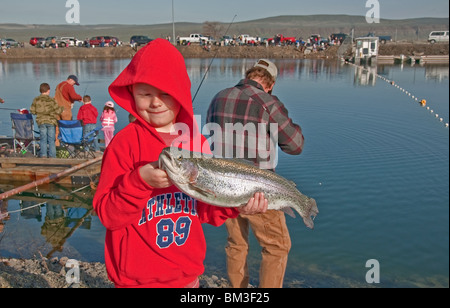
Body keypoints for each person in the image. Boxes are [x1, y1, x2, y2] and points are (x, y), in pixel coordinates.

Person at [93, 39, 268, 288]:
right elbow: (108, 216)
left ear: (181, 94)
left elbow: (207, 210)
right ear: (131, 93)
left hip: (187, 278)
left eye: (166, 93)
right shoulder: (123, 144)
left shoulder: (196, 143)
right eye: (145, 94)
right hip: (135, 280)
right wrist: (139, 182)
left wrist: (237, 205)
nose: (155, 103)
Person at [206, 59, 305, 288]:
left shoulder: (218, 97)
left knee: (236, 244)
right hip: (259, 191)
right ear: (270, 84)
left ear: (248, 75)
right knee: (276, 246)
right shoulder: (269, 102)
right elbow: (295, 145)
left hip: (223, 188)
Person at [30, 83, 64, 158]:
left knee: (43, 139)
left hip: (41, 122)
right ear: (48, 90)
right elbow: (58, 111)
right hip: (51, 122)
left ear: (40, 90)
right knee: (51, 140)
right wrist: (63, 108)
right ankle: (52, 156)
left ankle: (43, 155)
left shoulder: (36, 100)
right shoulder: (52, 100)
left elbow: (32, 111)